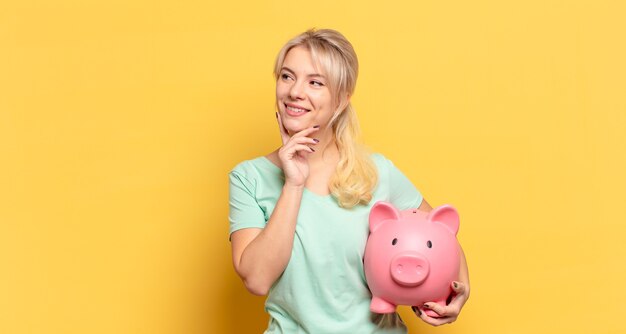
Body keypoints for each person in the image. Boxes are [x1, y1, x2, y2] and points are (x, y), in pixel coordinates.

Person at [228, 28, 470, 333]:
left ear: (341, 100)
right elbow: (257, 279)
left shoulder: (375, 171)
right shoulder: (249, 178)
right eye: (287, 77)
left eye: (315, 82)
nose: (294, 92)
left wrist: (462, 289)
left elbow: (443, 236)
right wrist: (294, 183)